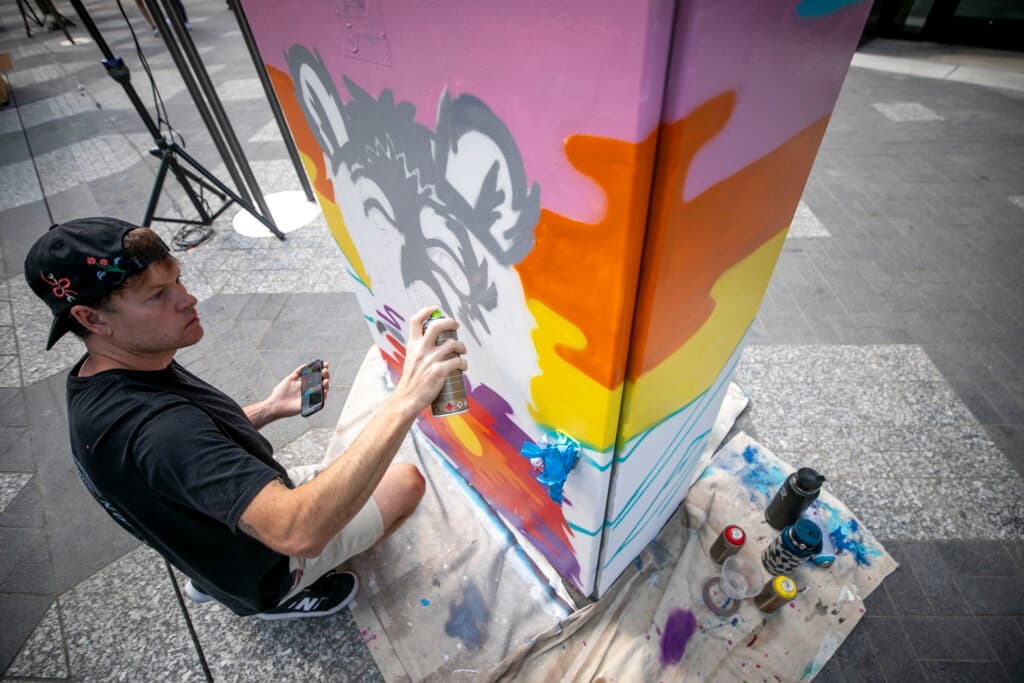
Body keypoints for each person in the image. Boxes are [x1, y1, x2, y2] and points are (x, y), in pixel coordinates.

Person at [25, 217, 467, 619]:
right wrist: (407, 397)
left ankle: (212, 575)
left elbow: (194, 454)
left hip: (203, 537)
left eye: (177, 280)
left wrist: (270, 408)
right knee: (406, 482)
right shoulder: (157, 430)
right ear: (90, 318)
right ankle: (281, 596)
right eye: (158, 295)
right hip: (265, 560)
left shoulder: (111, 368)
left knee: (348, 472)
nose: (188, 299)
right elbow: (299, 532)